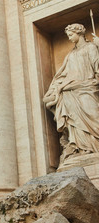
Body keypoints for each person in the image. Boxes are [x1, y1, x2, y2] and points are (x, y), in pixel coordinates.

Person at [43, 23, 99, 162]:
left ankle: (94, 147)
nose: (69, 38)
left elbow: (97, 69)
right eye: (68, 35)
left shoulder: (91, 48)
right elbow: (63, 74)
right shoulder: (71, 54)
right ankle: (81, 148)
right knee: (74, 121)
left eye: (71, 35)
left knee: (93, 115)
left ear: (79, 33)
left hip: (87, 87)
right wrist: (57, 88)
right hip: (70, 91)